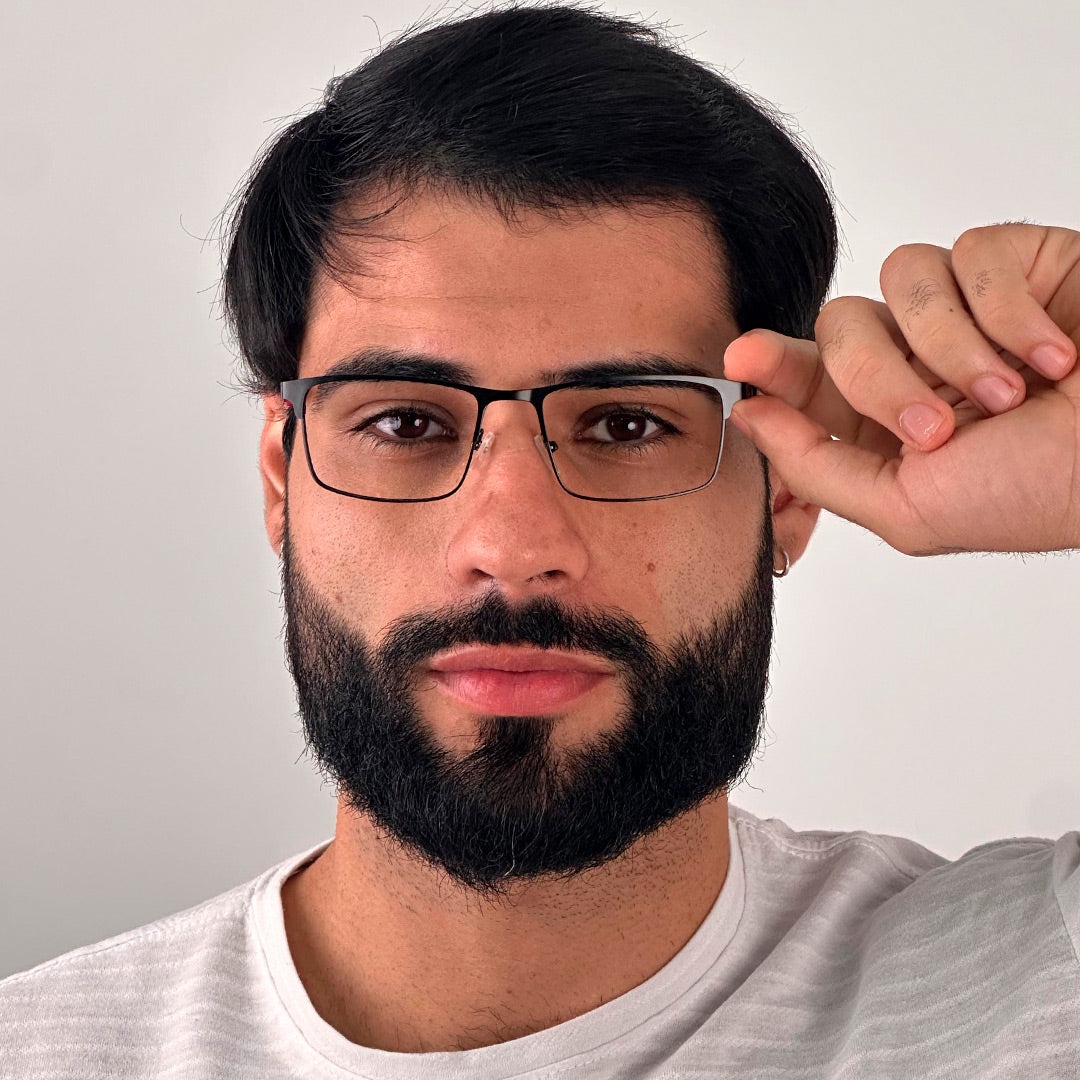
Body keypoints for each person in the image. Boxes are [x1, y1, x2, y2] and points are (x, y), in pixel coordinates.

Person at [3, 5, 1078, 1077]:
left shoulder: (1043, 983)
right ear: (284, 481)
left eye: (628, 425)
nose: (512, 548)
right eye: (405, 424)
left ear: (786, 490)